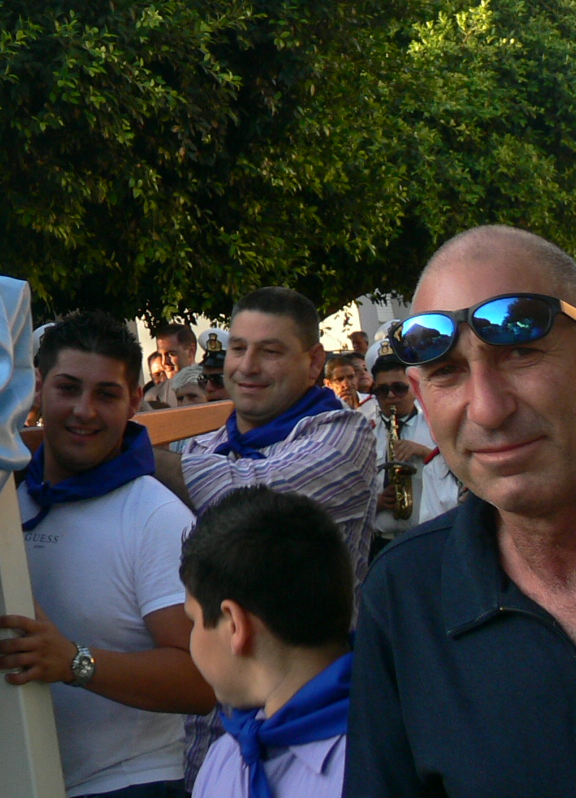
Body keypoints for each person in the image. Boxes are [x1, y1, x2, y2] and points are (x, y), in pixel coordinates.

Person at [349, 225, 576, 796]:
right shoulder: (407, 597)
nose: (488, 408)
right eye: (448, 372)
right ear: (423, 399)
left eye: (522, 352)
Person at [0, 312, 212, 798]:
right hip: (14, 779)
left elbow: (201, 681)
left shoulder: (156, 517)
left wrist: (75, 661)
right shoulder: (2, 497)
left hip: (130, 784)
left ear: (134, 400)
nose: (84, 411)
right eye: (68, 389)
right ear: (37, 388)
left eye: (106, 394)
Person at [150, 288, 374, 784]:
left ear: (314, 361)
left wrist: (139, 456)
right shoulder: (203, 445)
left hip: (319, 733)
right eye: (237, 348)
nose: (247, 365)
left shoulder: (344, 435)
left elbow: (240, 497)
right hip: (213, 739)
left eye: (270, 350)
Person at [182, 489, 353, 798]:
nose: (190, 638)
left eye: (192, 621)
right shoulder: (226, 757)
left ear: (234, 625)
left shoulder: (377, 763)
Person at [367, 355, 433, 549]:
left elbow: (458, 476)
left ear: (414, 388)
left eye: (399, 388)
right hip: (381, 540)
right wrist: (374, 503)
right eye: (382, 390)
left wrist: (425, 453)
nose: (390, 396)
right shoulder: (366, 433)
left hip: (425, 537)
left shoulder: (435, 428)